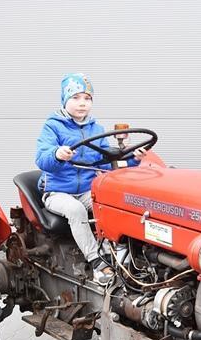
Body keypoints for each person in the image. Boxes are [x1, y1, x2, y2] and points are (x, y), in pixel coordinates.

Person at [35, 73, 144, 283]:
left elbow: (106, 162)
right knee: (75, 210)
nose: (82, 103)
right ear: (65, 100)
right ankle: (97, 262)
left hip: (86, 190)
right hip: (58, 191)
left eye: (87, 98)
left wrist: (133, 159)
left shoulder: (96, 129)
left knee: (112, 202)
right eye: (75, 98)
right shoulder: (53, 126)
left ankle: (119, 252)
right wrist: (56, 154)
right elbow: (42, 159)